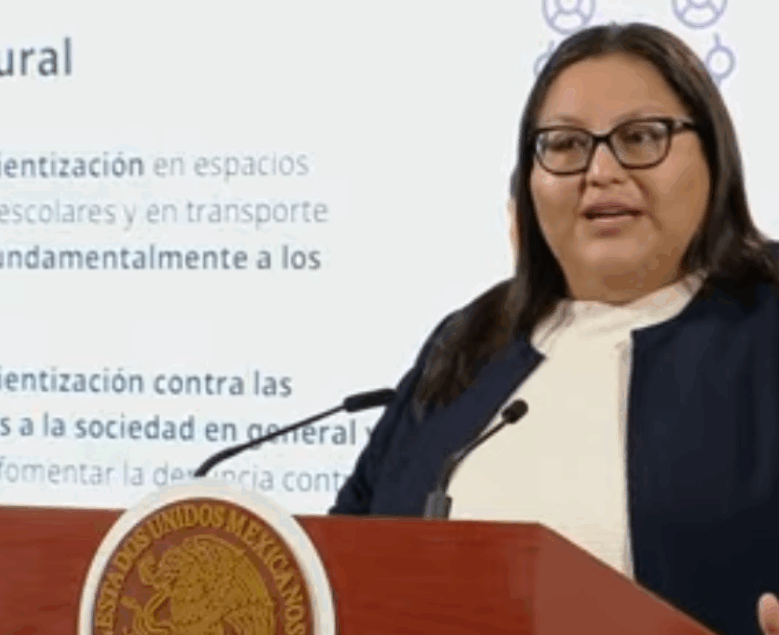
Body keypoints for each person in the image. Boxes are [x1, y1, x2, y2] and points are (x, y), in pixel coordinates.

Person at [330, 22, 779, 635]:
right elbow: (345, 560)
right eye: (565, 145)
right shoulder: (469, 341)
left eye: (641, 137)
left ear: (714, 157)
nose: (601, 170)